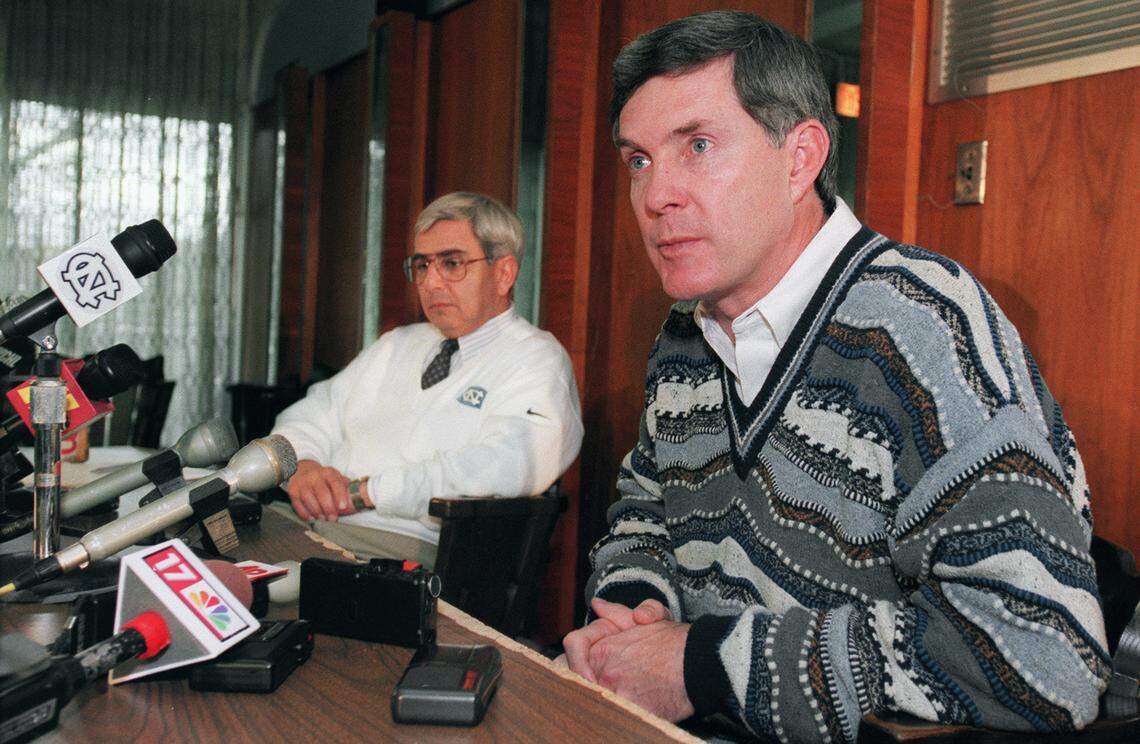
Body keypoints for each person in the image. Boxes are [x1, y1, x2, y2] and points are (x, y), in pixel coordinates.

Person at [561, 10, 1109, 742]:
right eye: (638, 159)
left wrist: (701, 665)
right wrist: (636, 607)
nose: (657, 195)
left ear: (800, 158)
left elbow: (1045, 657)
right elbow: (646, 506)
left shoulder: (920, 326)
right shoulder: (684, 335)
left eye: (696, 145)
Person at [272, 191, 584, 567]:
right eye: (422, 266)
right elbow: (312, 414)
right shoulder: (398, 344)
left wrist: (369, 492)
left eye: (452, 263)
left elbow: (503, 464)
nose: (431, 283)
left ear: (504, 273)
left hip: (403, 548)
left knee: (243, 594)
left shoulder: (535, 358)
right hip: (314, 524)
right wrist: (304, 466)